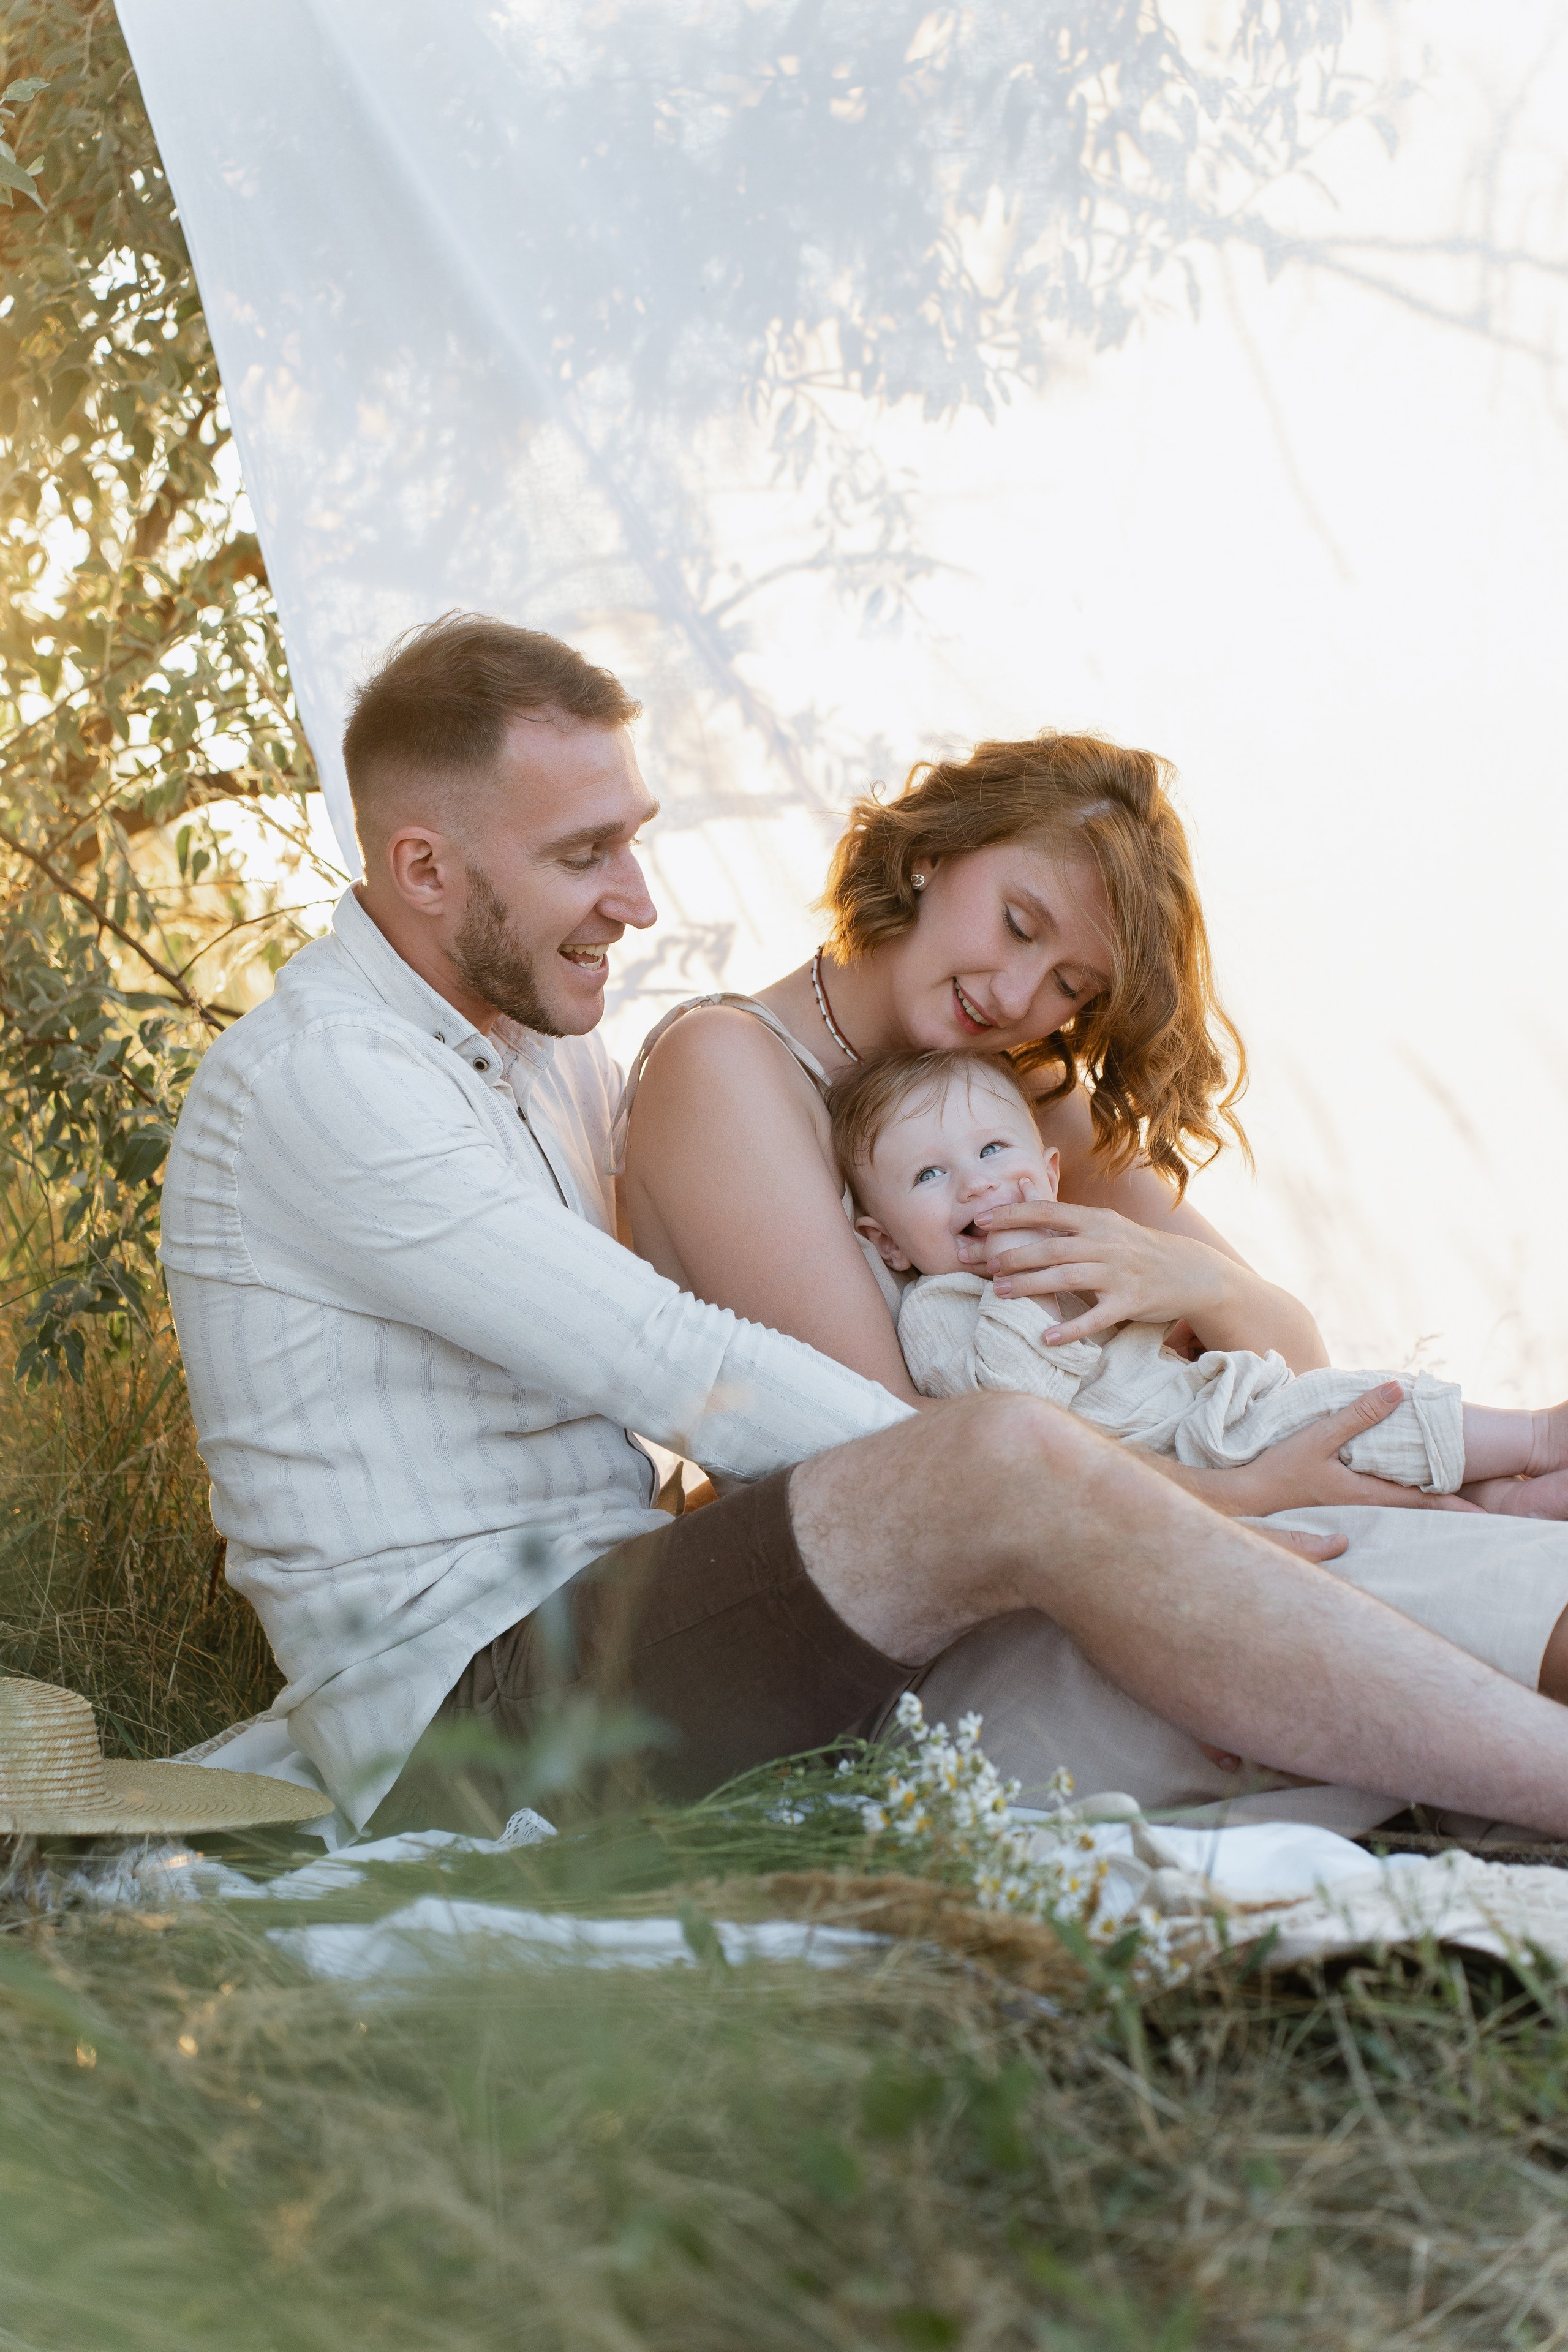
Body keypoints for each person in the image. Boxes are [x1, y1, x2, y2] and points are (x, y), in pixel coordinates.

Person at [160, 615, 1568, 1841]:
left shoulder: (536, 1052)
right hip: (464, 1715)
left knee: (1345, 1537)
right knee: (1010, 1456)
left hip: (633, 1609)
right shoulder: (327, 1078)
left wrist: (1163, 1474)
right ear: (423, 870)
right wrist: (1152, 1507)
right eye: (586, 855)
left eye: (631, 846)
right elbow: (680, 1361)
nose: (638, 902)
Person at [618, 723, 1568, 1825]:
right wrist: (1239, 1497)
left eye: (1071, 983)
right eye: (1018, 924)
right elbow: (911, 1460)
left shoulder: (1016, 1097)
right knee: (1342, 1557)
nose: (1019, 991)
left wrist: (1184, 1279)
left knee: (1415, 1527)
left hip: (1083, 1566)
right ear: (932, 853)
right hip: (899, 1664)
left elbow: (1293, 1357)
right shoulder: (725, 1069)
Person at [833, 1044, 1568, 1513]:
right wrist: (1013, 1281)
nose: (976, 1184)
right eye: (929, 1175)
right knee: (1355, 1414)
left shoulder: (1084, 1244)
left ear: (1050, 1173)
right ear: (887, 1243)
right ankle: (1534, 1442)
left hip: (1216, 1407)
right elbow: (1018, 1410)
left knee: (1354, 1411)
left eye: (994, 1148)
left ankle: (1502, 1494)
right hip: (1178, 1459)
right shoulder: (940, 1308)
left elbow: (1166, 1330)